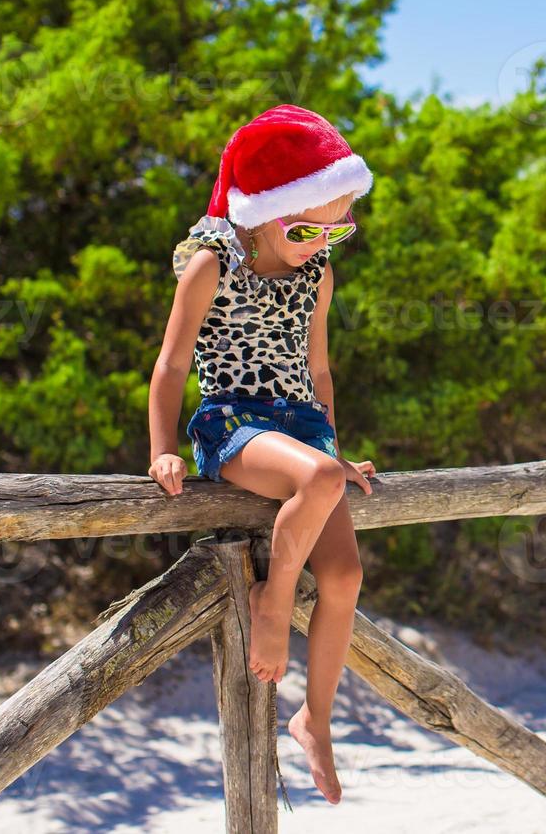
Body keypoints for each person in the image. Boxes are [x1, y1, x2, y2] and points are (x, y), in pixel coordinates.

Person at [147, 103, 378, 804]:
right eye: (306, 228)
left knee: (344, 579)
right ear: (258, 213)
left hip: (304, 428)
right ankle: (271, 604)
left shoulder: (318, 276)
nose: (321, 243)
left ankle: (317, 719)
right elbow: (170, 366)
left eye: (338, 229)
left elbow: (322, 372)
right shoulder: (213, 265)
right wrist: (162, 451)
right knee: (313, 477)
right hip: (234, 424)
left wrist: (336, 451)